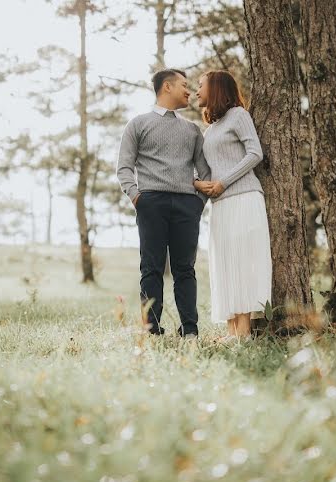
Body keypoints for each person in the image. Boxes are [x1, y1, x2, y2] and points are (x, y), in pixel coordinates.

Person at [116, 68, 211, 339]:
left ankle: (190, 330)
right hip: (151, 203)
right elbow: (124, 167)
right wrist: (137, 197)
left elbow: (204, 172)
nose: (189, 91)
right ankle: (151, 329)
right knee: (151, 267)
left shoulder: (192, 130)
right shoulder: (138, 123)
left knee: (185, 269)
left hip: (186, 206)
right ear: (166, 87)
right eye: (184, 85)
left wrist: (198, 204)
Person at [194, 70, 272, 342]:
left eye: (200, 85)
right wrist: (198, 184)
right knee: (225, 264)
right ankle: (232, 332)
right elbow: (210, 169)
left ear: (215, 88)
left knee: (243, 261)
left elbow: (255, 153)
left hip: (244, 198)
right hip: (221, 204)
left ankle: (245, 332)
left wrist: (223, 182)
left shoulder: (239, 115)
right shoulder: (211, 128)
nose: (196, 91)